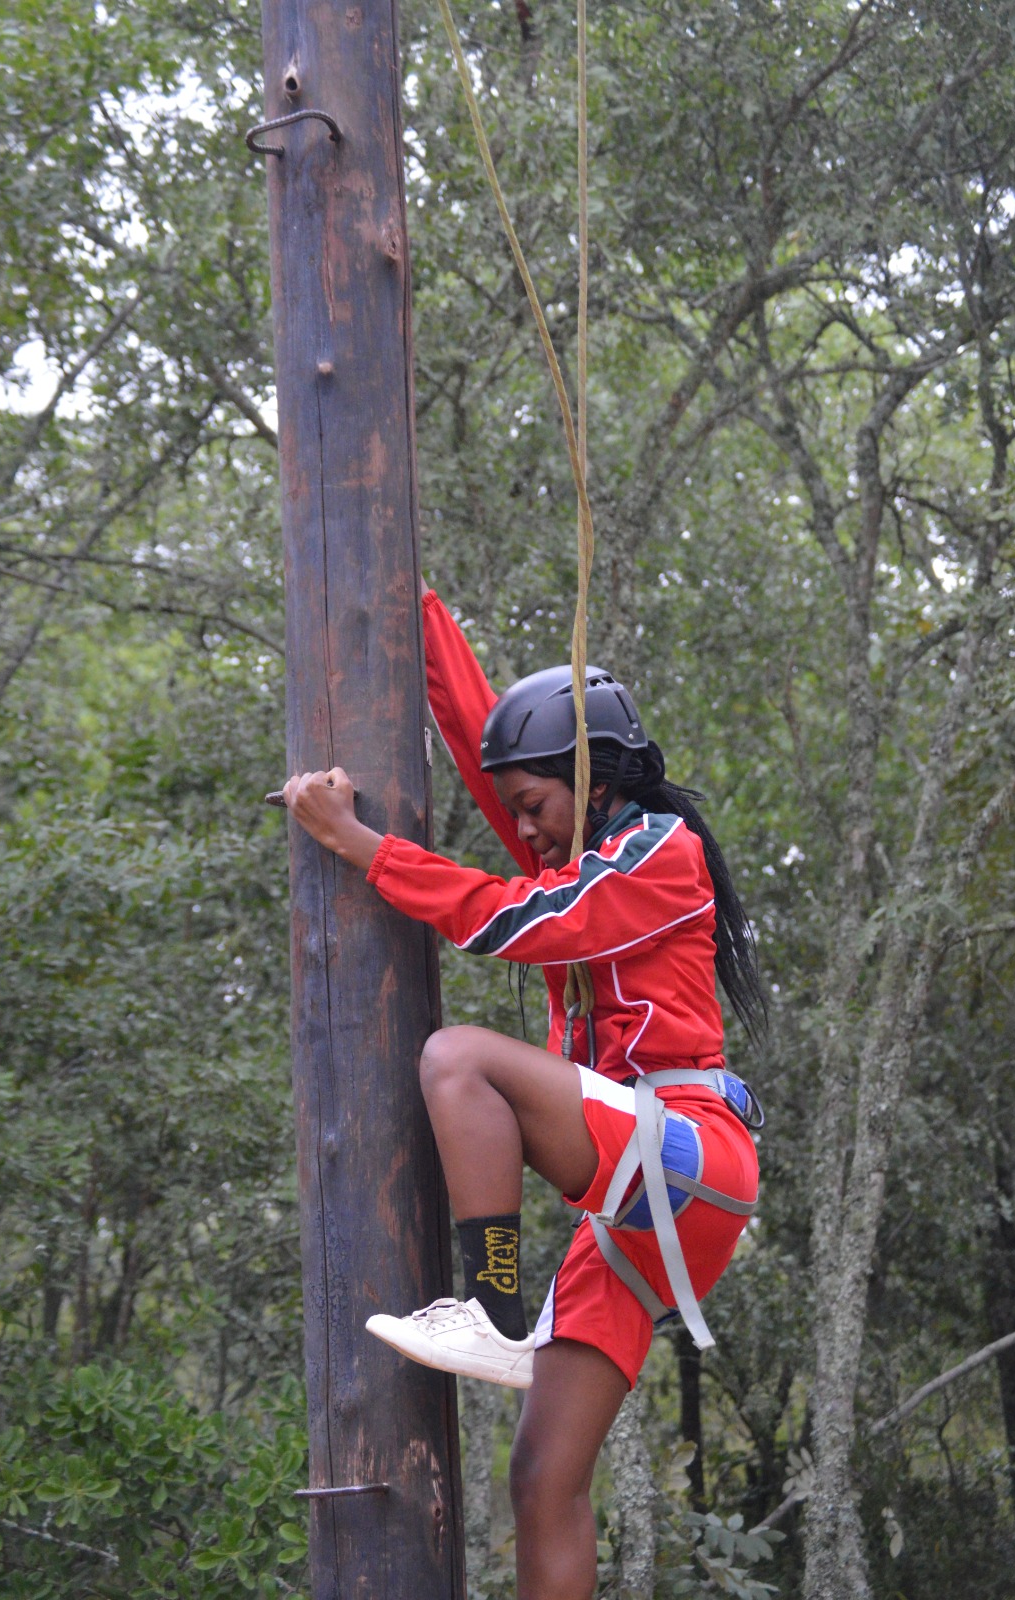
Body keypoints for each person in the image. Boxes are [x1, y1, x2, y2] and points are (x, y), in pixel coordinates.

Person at [283, 582, 765, 1600]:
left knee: (458, 1058)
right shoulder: (586, 853)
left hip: (685, 1152)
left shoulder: (654, 856)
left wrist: (355, 842)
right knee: (543, 1479)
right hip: (633, 1208)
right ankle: (502, 1315)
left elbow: (511, 920)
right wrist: (407, 602)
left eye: (537, 809)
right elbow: (478, 735)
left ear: (593, 785)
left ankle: (493, 1305)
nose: (528, 832)